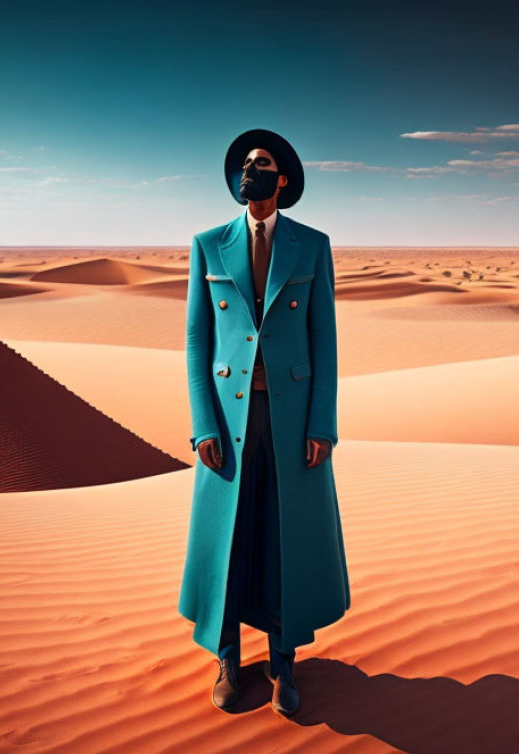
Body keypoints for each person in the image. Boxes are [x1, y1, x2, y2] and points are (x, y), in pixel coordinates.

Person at [178, 128, 350, 717]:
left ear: (283, 181)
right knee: (229, 536)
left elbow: (324, 342)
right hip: (229, 419)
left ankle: (283, 661)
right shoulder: (208, 244)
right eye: (247, 163)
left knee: (285, 537)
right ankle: (227, 656)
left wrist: (321, 425)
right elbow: (198, 340)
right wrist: (203, 426)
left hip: (291, 415)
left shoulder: (312, 244)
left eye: (265, 163)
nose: (253, 170)